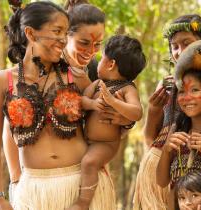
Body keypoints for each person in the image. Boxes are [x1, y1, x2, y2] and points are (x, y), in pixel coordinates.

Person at [0, 2, 114, 209]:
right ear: (31, 34)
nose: (62, 39)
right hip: (34, 191)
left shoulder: (75, 77)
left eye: (65, 33)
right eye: (57, 31)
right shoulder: (1, 82)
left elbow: (104, 127)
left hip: (80, 187)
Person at [133, 14, 201, 210]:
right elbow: (149, 138)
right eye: (174, 46)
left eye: (186, 43)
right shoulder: (167, 85)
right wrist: (154, 110)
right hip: (169, 171)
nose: (179, 52)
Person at [67, 34, 145, 210]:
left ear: (111, 64)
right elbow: (80, 100)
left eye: (102, 58)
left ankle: (83, 203)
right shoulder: (97, 83)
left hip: (106, 143)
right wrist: (93, 104)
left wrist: (114, 102)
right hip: (86, 140)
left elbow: (137, 112)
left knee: (89, 162)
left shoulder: (127, 89)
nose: (99, 61)